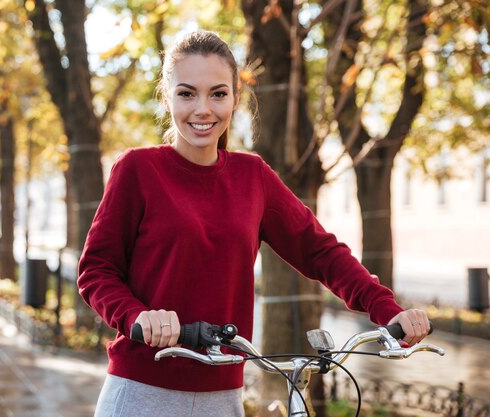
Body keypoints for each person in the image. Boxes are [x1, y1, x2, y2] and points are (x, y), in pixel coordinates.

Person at [77, 30, 430, 417]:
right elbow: (97, 270)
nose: (203, 109)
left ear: (235, 98)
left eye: (218, 93)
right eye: (186, 93)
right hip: (142, 391)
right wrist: (136, 316)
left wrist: (386, 308)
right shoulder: (138, 170)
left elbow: (320, 251)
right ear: (167, 96)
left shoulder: (253, 176)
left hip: (224, 396)